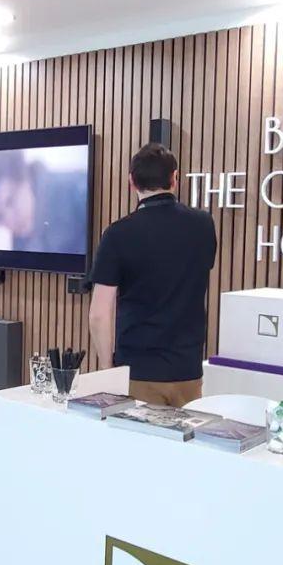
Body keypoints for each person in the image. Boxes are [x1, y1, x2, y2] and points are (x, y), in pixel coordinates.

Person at [89, 142, 217, 408]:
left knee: (136, 437)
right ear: (175, 178)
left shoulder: (118, 234)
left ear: (131, 182)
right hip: (187, 370)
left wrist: (108, 369)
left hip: (137, 372)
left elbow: (99, 313)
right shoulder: (203, 225)